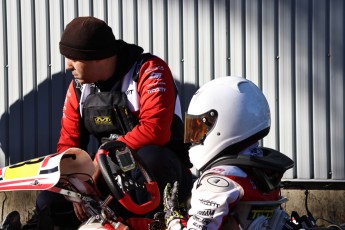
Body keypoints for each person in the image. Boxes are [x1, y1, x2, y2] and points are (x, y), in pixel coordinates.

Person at [28, 16, 193, 229]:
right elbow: (68, 145)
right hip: (105, 180)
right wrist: (77, 186)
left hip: (158, 174)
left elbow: (155, 131)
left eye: (74, 58)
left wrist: (102, 156)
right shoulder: (79, 88)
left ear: (98, 57)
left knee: (150, 158)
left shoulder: (149, 71)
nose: (68, 66)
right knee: (50, 201)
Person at [162, 76, 294, 230]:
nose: (195, 136)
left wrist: (173, 220)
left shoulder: (218, 180)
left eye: (200, 127)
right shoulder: (261, 171)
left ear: (225, 122)